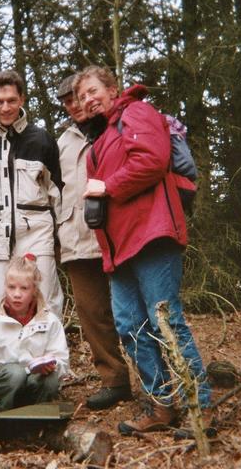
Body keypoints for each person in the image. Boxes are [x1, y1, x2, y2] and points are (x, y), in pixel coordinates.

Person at [74, 66, 212, 434]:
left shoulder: (136, 112)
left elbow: (152, 159)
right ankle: (161, 405)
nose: (88, 100)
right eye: (82, 96)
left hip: (152, 235)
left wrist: (107, 186)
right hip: (119, 249)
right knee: (130, 326)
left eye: (93, 91)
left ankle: (200, 407)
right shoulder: (100, 138)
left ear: (112, 89)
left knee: (165, 319)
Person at [54, 74, 133, 410]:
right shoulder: (62, 142)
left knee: (132, 312)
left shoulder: (118, 126)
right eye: (67, 101)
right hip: (76, 238)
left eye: (78, 96)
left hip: (120, 234)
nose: (74, 105)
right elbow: (54, 192)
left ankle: (157, 380)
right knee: (92, 314)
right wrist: (57, 237)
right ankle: (114, 380)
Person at [0, 70, 64, 317]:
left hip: (37, 231)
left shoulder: (42, 140)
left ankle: (50, 343)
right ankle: (4, 344)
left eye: (11, 100)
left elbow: (57, 192)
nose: (5, 107)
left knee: (46, 300)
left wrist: (60, 237)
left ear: (22, 99)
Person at [0, 254, 69, 412]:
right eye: (11, 287)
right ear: (5, 287)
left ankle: (36, 419)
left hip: (31, 384)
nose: (17, 294)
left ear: (34, 290)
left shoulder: (50, 321)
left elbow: (61, 360)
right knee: (15, 373)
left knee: (49, 379)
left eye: (24, 288)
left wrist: (52, 366)